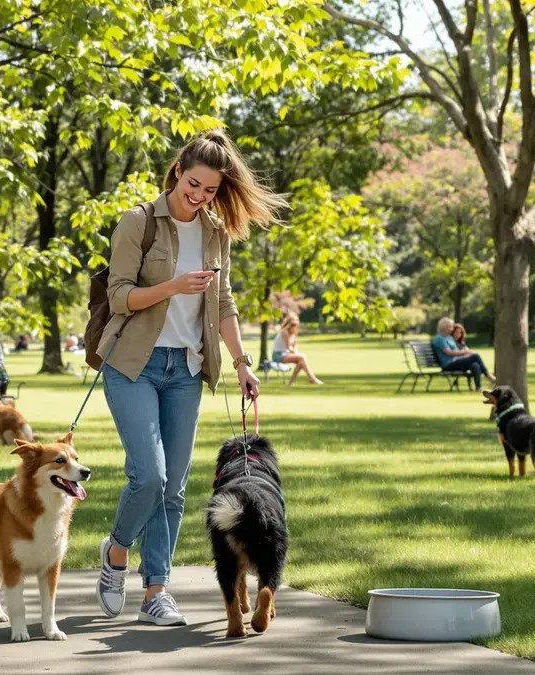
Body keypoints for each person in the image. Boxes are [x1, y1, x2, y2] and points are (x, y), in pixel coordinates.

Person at [94, 130, 279, 626]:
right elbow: (118, 297)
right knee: (149, 475)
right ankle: (116, 550)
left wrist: (241, 362)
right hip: (133, 363)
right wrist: (173, 286)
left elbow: (222, 302)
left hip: (187, 369)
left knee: (174, 487)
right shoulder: (138, 222)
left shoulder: (216, 232)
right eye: (192, 184)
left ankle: (157, 590)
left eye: (209, 191)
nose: (197, 196)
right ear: (178, 170)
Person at [431, 317, 496, 391]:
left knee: (475, 365)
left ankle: (478, 387)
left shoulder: (449, 338)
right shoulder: (439, 338)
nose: (452, 329)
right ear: (445, 327)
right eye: (451, 327)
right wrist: (465, 352)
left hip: (456, 362)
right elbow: (449, 353)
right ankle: (488, 375)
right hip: (449, 365)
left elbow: (457, 351)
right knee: (475, 356)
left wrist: (466, 354)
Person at [271, 312, 323, 386]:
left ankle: (291, 382)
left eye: (296, 325)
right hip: (278, 355)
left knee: (301, 360)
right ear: (289, 325)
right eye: (293, 325)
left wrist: (297, 353)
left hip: (286, 354)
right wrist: (297, 354)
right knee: (302, 357)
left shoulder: (294, 333)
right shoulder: (284, 332)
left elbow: (294, 347)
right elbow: (288, 348)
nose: (295, 326)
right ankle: (312, 378)